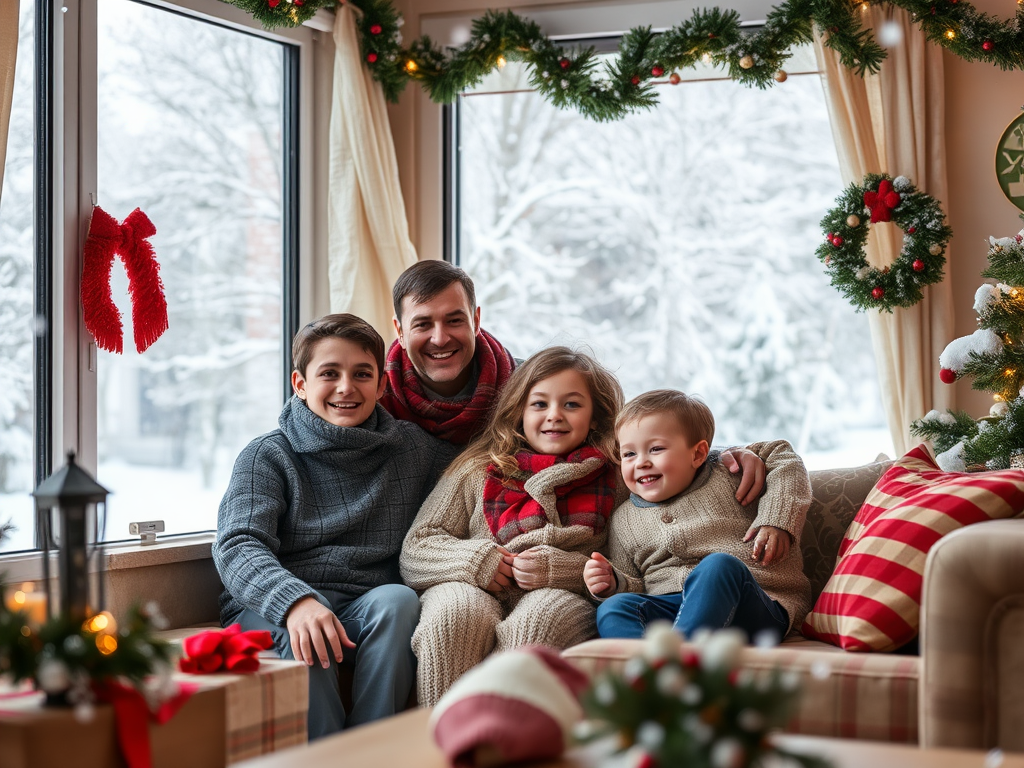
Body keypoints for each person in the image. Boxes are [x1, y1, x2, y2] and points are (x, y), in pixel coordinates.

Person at [213, 314, 457, 740]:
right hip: (275, 605)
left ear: (381, 385)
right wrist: (295, 603)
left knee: (399, 601)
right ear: (300, 383)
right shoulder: (267, 455)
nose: (347, 387)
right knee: (307, 636)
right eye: (329, 373)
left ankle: (371, 749)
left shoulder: (412, 448)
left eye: (362, 374)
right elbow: (238, 544)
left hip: (366, 603)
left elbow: (481, 468)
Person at [381, 259, 771, 503]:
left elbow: (629, 434)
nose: (440, 337)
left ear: (476, 320)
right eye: (422, 324)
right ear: (399, 330)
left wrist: (720, 457)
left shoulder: (527, 388)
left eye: (454, 320)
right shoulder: (373, 401)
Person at [399, 346, 627, 705]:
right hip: (470, 584)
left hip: (563, 593)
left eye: (571, 404)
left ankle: (507, 742)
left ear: (595, 417)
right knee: (454, 618)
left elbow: (630, 568)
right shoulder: (476, 468)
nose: (554, 416)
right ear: (519, 411)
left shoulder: (618, 475)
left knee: (537, 624)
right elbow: (417, 548)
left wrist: (562, 570)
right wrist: (476, 561)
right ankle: (439, 746)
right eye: (539, 404)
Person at [585, 389, 812, 644]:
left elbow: (783, 456)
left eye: (656, 449)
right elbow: (636, 582)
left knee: (719, 565)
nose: (641, 462)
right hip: (672, 609)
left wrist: (775, 520)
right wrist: (614, 582)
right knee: (614, 608)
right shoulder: (623, 519)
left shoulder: (726, 473)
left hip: (755, 605)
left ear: (698, 454)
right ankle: (656, 671)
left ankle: (680, 663)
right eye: (629, 454)